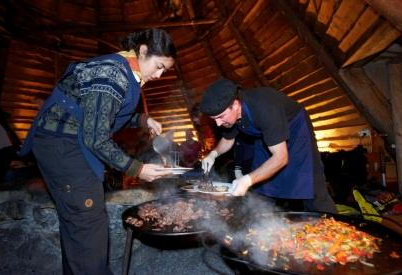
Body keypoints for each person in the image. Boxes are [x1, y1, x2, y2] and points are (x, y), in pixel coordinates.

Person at [19, 28, 176, 275]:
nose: (159, 75)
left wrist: (144, 120)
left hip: (65, 144)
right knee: (88, 222)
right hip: (65, 145)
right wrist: (138, 169)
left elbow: (104, 112)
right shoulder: (112, 73)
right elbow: (96, 137)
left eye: (164, 71)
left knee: (77, 224)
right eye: (159, 66)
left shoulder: (122, 71)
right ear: (143, 51)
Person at [199, 78, 336, 213]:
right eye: (214, 119)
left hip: (297, 134)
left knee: (311, 187)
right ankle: (262, 222)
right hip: (268, 138)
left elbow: (281, 158)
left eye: (221, 117)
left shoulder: (264, 106)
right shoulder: (230, 116)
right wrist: (213, 154)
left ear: (235, 105)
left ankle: (331, 227)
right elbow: (228, 139)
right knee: (263, 190)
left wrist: (247, 180)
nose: (218, 123)